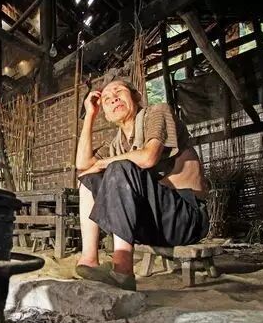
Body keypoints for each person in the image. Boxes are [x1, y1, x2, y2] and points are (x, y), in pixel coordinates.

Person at [75, 78, 210, 291]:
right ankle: (89, 260)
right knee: (89, 180)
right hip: (151, 225)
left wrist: (101, 163)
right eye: (107, 99)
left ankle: (122, 271)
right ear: (107, 115)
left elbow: (148, 157)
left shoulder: (157, 113)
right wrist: (90, 115)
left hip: (186, 218)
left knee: (119, 167)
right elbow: (83, 165)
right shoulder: (118, 144)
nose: (113, 99)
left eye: (119, 91)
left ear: (136, 96)